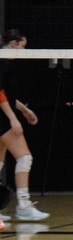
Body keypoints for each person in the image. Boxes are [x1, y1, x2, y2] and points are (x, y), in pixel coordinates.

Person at [0, 29, 48, 223]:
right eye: (23, 46)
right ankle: (24, 205)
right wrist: (13, 118)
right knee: (25, 157)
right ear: (14, 44)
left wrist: (24, 110)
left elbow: (8, 95)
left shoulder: (6, 63)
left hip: (5, 114)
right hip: (3, 118)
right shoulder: (3, 63)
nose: (24, 50)